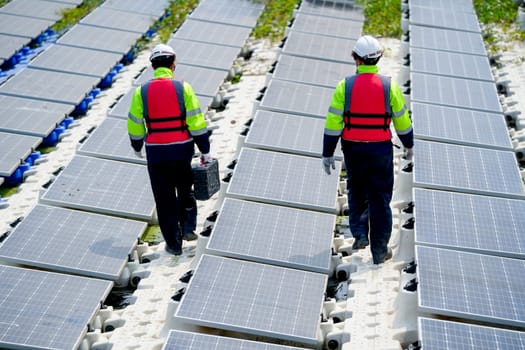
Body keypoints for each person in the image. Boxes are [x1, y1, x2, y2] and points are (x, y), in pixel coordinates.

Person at [322, 35, 413, 264]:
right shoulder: (389, 86)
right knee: (380, 198)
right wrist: (408, 144)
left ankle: (360, 234)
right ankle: (379, 251)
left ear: (355, 58)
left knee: (357, 191)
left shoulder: (344, 86)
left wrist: (327, 151)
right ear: (378, 58)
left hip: (353, 149)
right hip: (380, 150)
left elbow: (333, 123)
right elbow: (402, 121)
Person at [128, 44, 211, 256]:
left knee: (164, 199)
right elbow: (196, 121)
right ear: (173, 64)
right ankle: (188, 229)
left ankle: (173, 245)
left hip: (156, 153)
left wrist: (137, 146)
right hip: (182, 150)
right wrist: (204, 148)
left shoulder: (141, 92)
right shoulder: (184, 88)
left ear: (152, 66)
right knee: (185, 189)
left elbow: (135, 123)